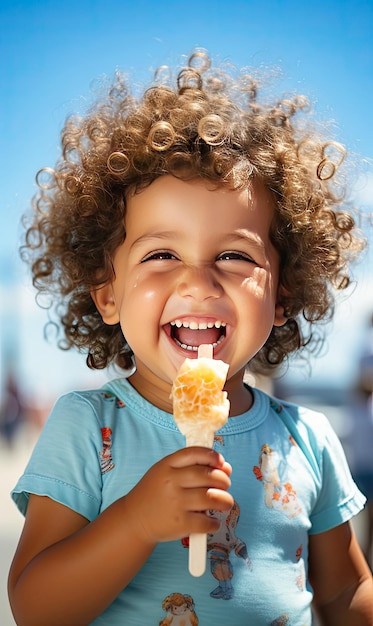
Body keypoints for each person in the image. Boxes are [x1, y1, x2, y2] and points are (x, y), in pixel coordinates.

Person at [8, 50, 373, 625]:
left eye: (233, 255)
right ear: (108, 292)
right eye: (161, 254)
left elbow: (343, 593)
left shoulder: (310, 440)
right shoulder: (88, 428)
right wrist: (134, 522)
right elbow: (36, 607)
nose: (197, 282)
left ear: (282, 295)